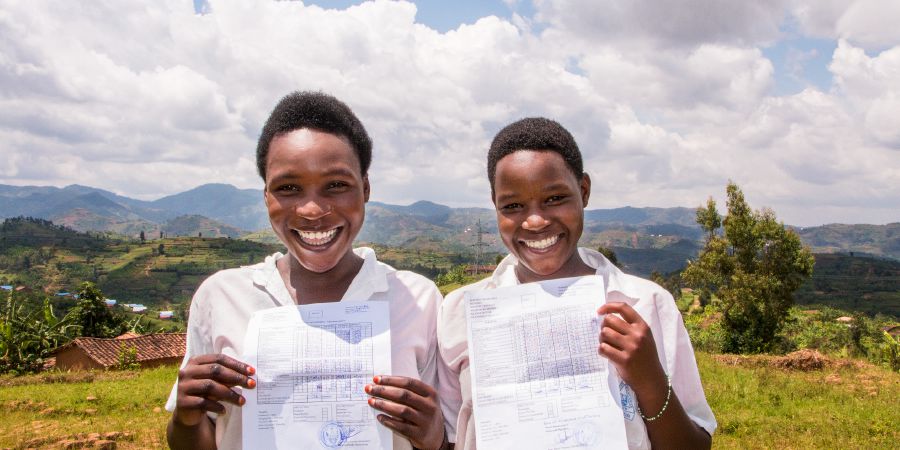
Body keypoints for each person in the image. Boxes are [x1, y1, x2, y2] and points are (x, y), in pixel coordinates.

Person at [166, 91, 451, 450]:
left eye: (336, 185)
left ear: (365, 188)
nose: (313, 210)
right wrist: (186, 417)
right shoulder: (221, 297)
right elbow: (195, 439)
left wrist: (434, 437)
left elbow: (448, 437)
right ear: (266, 196)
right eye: (288, 188)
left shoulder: (417, 300)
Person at [437, 117, 716, 449]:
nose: (535, 221)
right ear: (495, 205)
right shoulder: (460, 313)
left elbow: (696, 444)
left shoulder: (647, 305)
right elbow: (452, 438)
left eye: (555, 198)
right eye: (512, 206)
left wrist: (650, 380)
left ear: (583, 191)